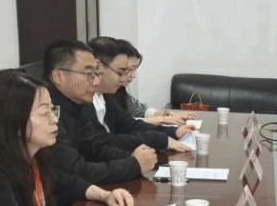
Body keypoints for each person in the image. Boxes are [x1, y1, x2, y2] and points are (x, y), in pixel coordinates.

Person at [0, 70, 140, 206]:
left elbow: (66, 183)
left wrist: (105, 195)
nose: (54, 119)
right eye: (44, 113)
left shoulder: (37, 155)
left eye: (53, 110)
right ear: (15, 121)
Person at [43, 40, 157, 185]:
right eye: (89, 74)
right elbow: (76, 171)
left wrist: (133, 158)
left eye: (96, 73)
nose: (96, 81)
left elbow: (95, 146)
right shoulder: (47, 112)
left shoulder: (78, 102)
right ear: (58, 76)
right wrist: (133, 164)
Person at [88, 37, 193, 153]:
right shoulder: (83, 100)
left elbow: (129, 125)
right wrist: (158, 139)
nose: (126, 77)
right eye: (121, 72)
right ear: (98, 67)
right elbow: (103, 142)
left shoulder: (106, 96)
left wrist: (173, 132)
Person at [112, 39, 186, 126]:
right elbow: (119, 124)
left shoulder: (119, 90)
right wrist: (160, 119)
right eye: (128, 69)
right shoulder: (105, 93)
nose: (133, 75)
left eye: (134, 69)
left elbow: (138, 110)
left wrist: (163, 114)